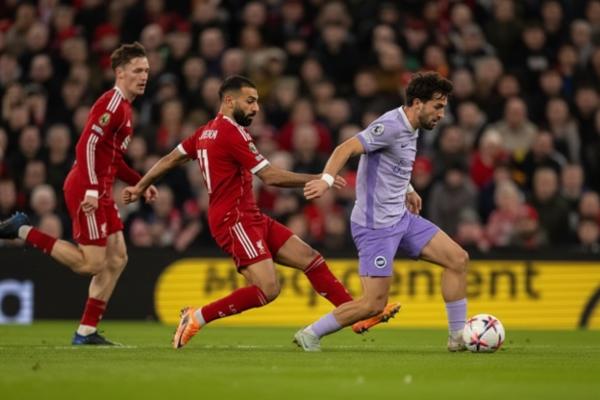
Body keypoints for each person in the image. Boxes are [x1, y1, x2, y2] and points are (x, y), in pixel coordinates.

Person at [121, 75, 399, 349]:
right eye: (250, 101)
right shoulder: (230, 133)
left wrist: (140, 185)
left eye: (257, 102)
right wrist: (318, 177)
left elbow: (171, 159)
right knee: (268, 289)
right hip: (233, 220)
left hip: (250, 216)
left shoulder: (205, 132)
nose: (256, 108)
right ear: (229, 101)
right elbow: (270, 177)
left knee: (310, 258)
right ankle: (197, 317)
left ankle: (356, 315)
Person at [294, 71, 470, 352]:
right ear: (417, 103)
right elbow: (345, 148)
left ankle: (458, 337)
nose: (441, 114)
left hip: (401, 217)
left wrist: (408, 189)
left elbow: (391, 161)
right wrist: (326, 180)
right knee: (373, 304)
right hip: (375, 226)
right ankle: (310, 333)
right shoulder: (389, 126)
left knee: (458, 259)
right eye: (437, 106)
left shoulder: (413, 126)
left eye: (444, 107)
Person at [0, 42, 157, 345]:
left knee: (117, 258)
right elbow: (86, 145)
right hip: (87, 187)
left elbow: (112, 158)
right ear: (120, 73)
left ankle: (86, 331)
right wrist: (93, 190)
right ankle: (22, 229)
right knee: (91, 264)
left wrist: (140, 182)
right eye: (137, 70)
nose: (144, 76)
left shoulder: (126, 108)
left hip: (101, 189)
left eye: (146, 71)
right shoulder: (111, 104)